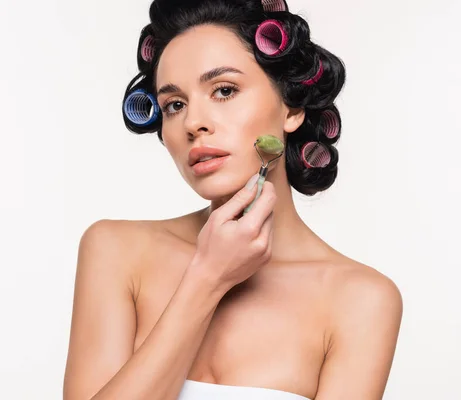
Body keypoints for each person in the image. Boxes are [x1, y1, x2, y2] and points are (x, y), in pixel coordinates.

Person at [63, 0, 403, 399]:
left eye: (224, 90)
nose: (193, 123)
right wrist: (206, 279)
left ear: (291, 107)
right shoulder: (116, 251)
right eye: (175, 104)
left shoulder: (361, 300)